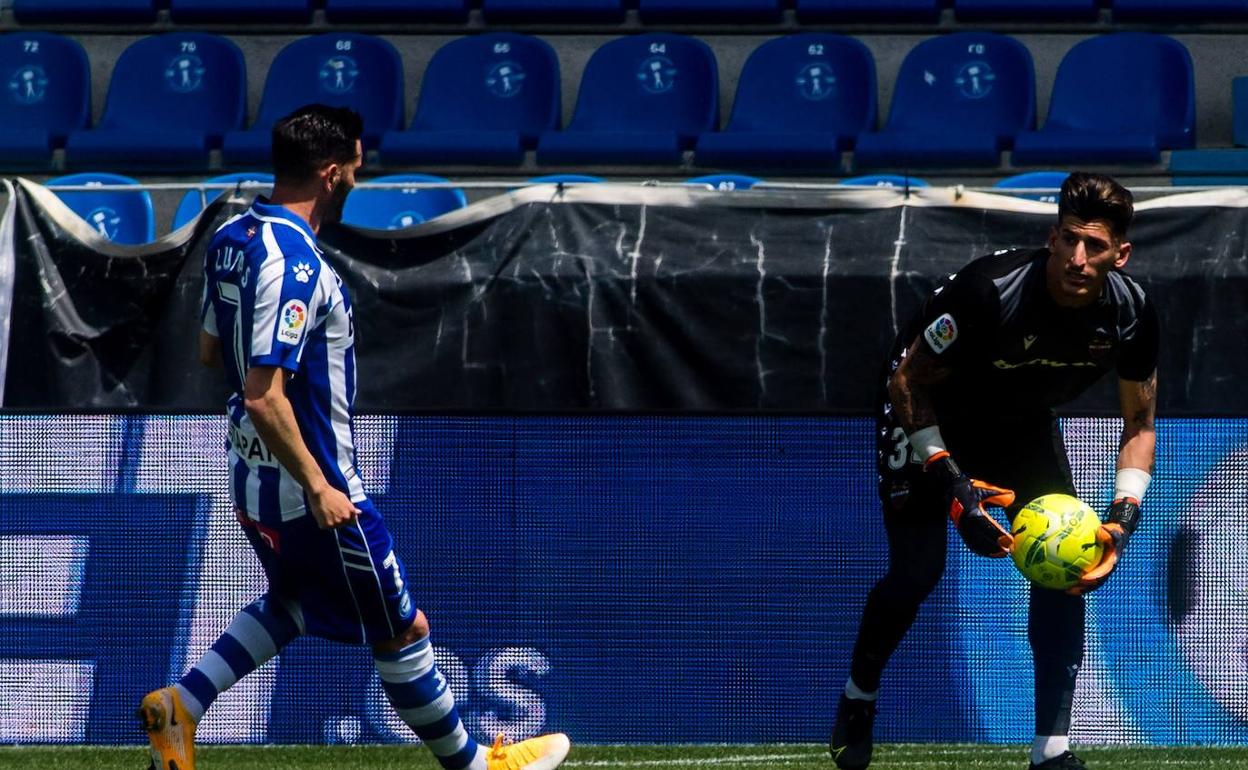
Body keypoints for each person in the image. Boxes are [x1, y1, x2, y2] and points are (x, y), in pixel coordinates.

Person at [138, 104, 571, 770]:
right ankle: (480, 766)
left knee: (293, 604)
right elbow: (263, 394)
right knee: (404, 630)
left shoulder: (230, 235)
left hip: (251, 479)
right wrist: (318, 485)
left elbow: (205, 350)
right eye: (357, 174)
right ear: (332, 174)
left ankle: (183, 704)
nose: (356, 185)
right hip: (313, 483)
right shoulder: (296, 263)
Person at [830, 172, 1158, 770]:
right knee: (918, 571)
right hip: (927, 409)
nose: (1079, 259)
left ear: (1121, 254)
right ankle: (859, 696)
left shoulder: (1132, 313)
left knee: (1071, 566)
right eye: (1069, 240)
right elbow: (907, 381)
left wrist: (1123, 518)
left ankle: (1051, 750)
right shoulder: (990, 290)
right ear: (1052, 237)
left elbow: (1139, 424)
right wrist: (953, 486)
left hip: (1018, 420)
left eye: (1096, 247)